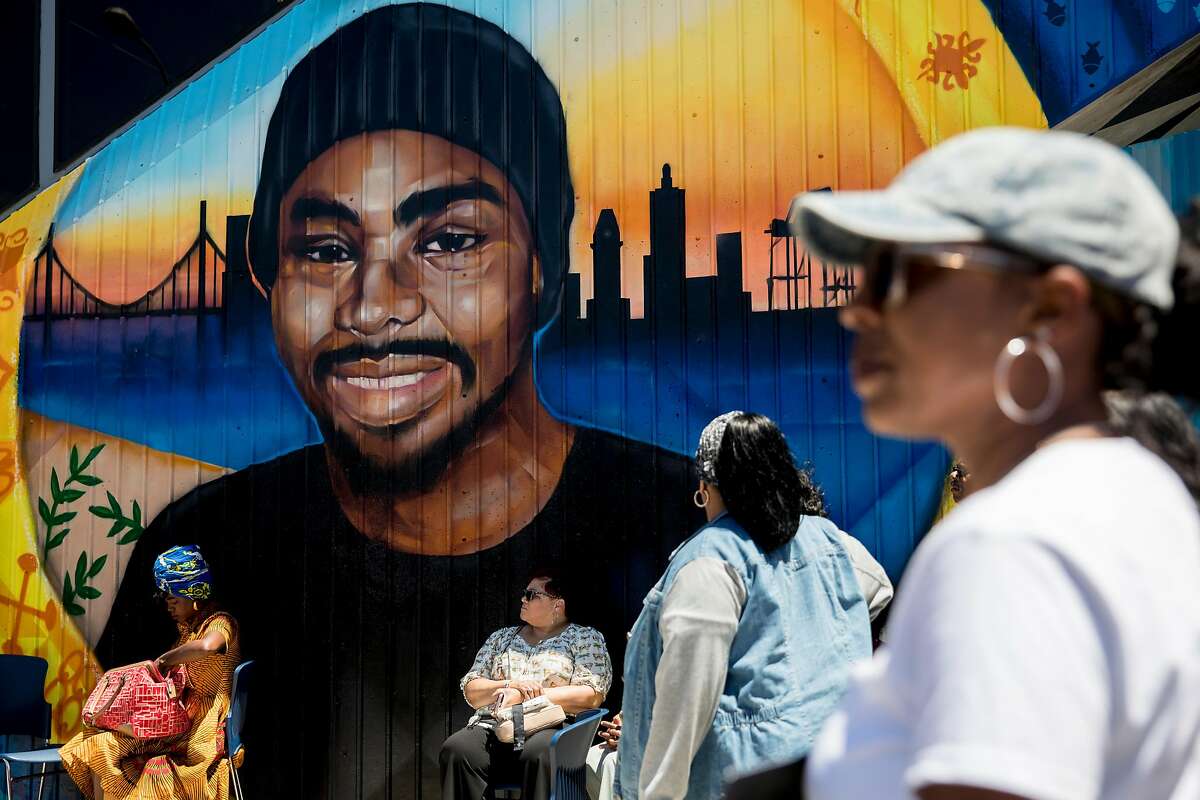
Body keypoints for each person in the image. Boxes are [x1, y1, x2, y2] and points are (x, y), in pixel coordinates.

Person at [95, 5, 701, 796]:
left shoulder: (679, 537)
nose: (374, 307)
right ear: (267, 281)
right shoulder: (208, 544)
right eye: (325, 250)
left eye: (450, 241)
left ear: (544, 266)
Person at [786, 127, 1200, 799]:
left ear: (1051, 309)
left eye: (899, 272)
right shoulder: (1145, 498)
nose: (856, 309)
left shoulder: (1011, 541)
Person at [616, 411, 873, 800]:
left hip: (739, 780)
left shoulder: (709, 558)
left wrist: (657, 793)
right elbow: (879, 592)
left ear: (705, 486)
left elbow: (686, 695)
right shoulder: (828, 538)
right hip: (833, 767)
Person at [61, 546, 240, 800]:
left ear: (191, 592)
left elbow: (207, 646)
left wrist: (164, 661)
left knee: (152, 769)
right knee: (98, 745)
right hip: (179, 722)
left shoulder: (221, 622)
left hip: (200, 731)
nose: (168, 603)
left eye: (172, 596)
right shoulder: (188, 629)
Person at [440, 566, 611, 800]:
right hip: (498, 726)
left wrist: (530, 696)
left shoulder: (584, 638)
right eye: (524, 593)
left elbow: (591, 694)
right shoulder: (502, 638)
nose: (523, 599)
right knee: (457, 750)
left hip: (550, 725)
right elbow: (472, 689)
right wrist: (510, 685)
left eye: (532, 595)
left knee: (540, 751)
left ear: (557, 605)